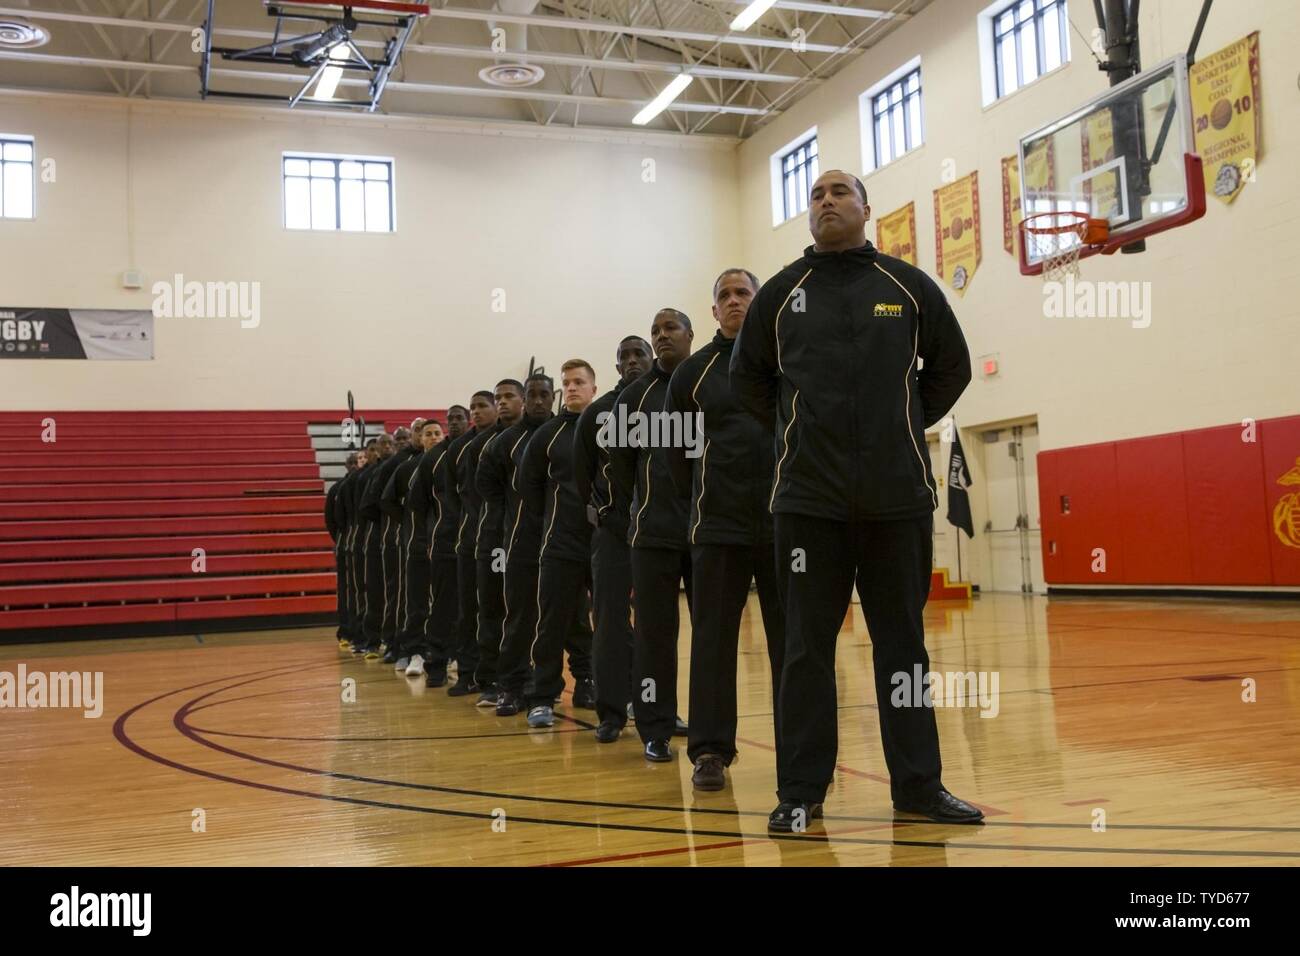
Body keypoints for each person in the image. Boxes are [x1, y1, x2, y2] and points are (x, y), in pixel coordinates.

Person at [729, 169, 982, 830]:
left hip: (896, 502)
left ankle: (919, 787)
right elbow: (747, 380)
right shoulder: (782, 295)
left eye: (840, 192)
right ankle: (801, 793)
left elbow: (952, 365)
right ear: (807, 217)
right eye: (815, 195)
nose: (827, 201)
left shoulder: (907, 287)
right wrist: (799, 430)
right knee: (806, 650)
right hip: (808, 505)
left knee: (903, 648)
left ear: (866, 209)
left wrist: (900, 420)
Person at [664, 269, 785, 791]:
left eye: (743, 294)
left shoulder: (786, 363)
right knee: (712, 642)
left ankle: (801, 751)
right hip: (716, 529)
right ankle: (710, 751)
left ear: (759, 304)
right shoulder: (690, 374)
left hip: (786, 526)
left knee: (794, 644)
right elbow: (674, 456)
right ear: (713, 311)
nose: (734, 302)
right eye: (724, 296)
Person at [608, 309, 695, 763]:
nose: (662, 336)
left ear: (690, 335)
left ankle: (709, 732)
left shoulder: (710, 383)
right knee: (655, 638)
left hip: (708, 535)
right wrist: (633, 517)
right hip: (653, 534)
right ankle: (656, 726)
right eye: (655, 331)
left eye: (670, 329)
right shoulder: (634, 400)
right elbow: (620, 471)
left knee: (712, 638)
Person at [573, 336, 653, 742]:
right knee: (608, 621)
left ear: (652, 358)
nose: (634, 360)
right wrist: (607, 514)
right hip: (613, 533)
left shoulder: (669, 404)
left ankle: (657, 709)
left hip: (659, 534)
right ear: (617, 366)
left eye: (640, 353)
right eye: (626, 356)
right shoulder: (598, 413)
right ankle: (611, 713)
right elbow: (582, 475)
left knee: (658, 625)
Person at [520, 359, 599, 728]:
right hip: (560, 545)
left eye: (578, 382)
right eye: (566, 383)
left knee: (614, 624)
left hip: (604, 546)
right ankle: (542, 697)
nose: (571, 388)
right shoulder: (547, 434)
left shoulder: (611, 429)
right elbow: (529, 486)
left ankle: (607, 688)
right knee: (551, 623)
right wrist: (555, 519)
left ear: (593, 389)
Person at [477, 374, 553, 717]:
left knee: (573, 619)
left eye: (543, 395)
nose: (538, 401)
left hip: (564, 543)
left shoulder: (568, 434)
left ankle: (583, 681)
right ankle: (511, 686)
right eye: (533, 395)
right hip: (519, 543)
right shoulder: (502, 444)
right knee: (519, 617)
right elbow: (490, 494)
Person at [470, 380, 524, 707]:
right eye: (498, 398)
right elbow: (481, 496)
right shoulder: (483, 446)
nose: (502, 403)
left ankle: (529, 679)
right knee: (493, 608)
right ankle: (493, 679)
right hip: (495, 541)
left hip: (532, 540)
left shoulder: (539, 436)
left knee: (527, 612)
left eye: (508, 397)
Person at [446, 393, 496, 696]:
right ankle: (467, 673)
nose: (476, 412)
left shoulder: (505, 441)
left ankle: (496, 675)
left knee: (496, 609)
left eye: (482, 406)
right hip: (468, 541)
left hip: (500, 542)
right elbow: (452, 493)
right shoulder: (459, 448)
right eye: (473, 407)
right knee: (468, 610)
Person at [395, 418, 444, 676]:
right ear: (420, 439)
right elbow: (387, 502)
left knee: (445, 603)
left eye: (438, 433)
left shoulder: (451, 462)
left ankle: (446, 654)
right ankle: (415, 652)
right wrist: (409, 529)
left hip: (446, 546)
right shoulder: (408, 469)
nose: (434, 437)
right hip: (417, 545)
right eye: (428, 434)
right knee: (417, 602)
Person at [380, 419, 427, 671]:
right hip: (409, 541)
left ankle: (442, 652)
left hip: (445, 541)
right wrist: (409, 522)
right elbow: (381, 501)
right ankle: (402, 648)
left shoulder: (447, 458)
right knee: (407, 594)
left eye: (431, 432)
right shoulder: (401, 466)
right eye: (420, 431)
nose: (426, 436)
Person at [329, 450, 362, 649]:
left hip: (362, 543)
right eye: (350, 462)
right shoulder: (337, 489)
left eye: (356, 460)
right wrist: (344, 539)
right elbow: (332, 520)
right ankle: (346, 630)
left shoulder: (366, 483)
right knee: (346, 590)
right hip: (345, 545)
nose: (354, 464)